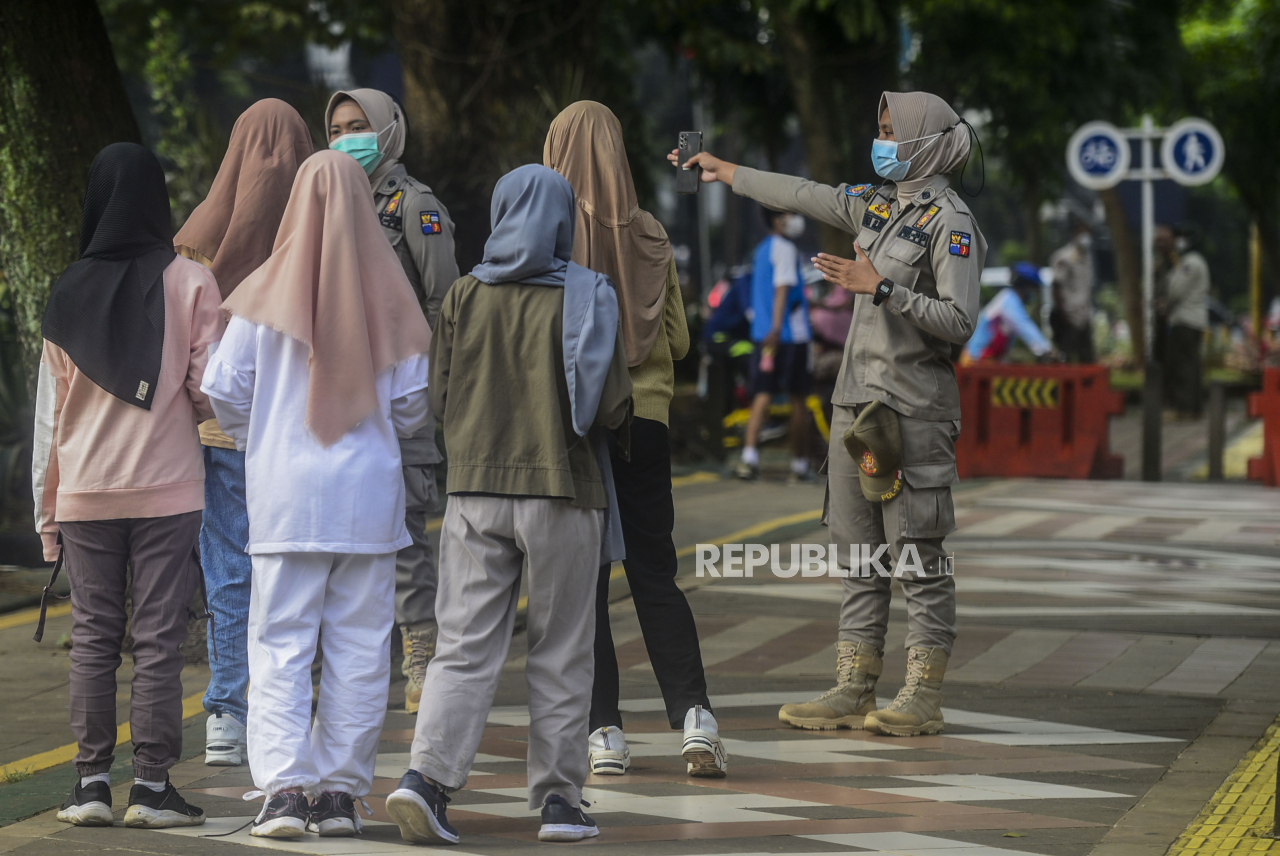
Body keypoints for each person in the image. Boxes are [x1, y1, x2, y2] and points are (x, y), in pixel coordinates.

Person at [672, 90, 986, 737]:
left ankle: (922, 694)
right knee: (860, 555)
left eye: (892, 131)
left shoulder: (950, 223)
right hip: (855, 409)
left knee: (917, 556)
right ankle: (854, 685)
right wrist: (723, 170)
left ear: (926, 142)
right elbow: (801, 192)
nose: (882, 140)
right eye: (878, 129)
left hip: (911, 410)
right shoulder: (875, 207)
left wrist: (884, 288)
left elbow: (959, 324)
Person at [385, 165, 632, 846]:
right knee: (560, 649)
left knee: (461, 648)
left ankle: (425, 782)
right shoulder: (589, 294)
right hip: (564, 494)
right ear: (561, 222)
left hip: (473, 497)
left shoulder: (463, 295)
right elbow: (611, 407)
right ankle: (558, 802)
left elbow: (437, 398)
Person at [201, 150, 432, 839]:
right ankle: (338, 794)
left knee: (278, 643)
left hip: (286, 499)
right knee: (361, 646)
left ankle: (283, 791)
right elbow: (415, 406)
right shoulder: (389, 290)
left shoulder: (262, 291)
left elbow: (225, 391)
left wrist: (264, 439)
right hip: (366, 499)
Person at [34, 142, 223, 828]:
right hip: (168, 492)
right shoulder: (191, 283)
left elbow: (49, 420)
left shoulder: (65, 291)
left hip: (84, 493)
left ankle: (88, 784)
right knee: (157, 637)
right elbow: (212, 394)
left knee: (93, 636)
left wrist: (46, 516)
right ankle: (150, 786)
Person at [543, 101, 725, 779]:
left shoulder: (550, 234)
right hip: (644, 422)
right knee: (655, 571)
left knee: (584, 583)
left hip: (575, 427)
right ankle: (696, 717)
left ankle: (604, 733)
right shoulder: (650, 232)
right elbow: (676, 339)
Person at [173, 98, 314, 768]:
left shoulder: (197, 234)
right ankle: (293, 703)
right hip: (301, 435)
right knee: (294, 568)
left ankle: (228, 711)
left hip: (216, 431)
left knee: (229, 569)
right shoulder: (317, 231)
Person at [325, 88, 460, 713]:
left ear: (388, 132)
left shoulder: (414, 205)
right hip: (342, 396)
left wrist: (427, 383)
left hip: (402, 392)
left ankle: (420, 658)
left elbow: (446, 303)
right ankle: (359, 663)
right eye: (336, 128)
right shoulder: (323, 204)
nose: (347, 138)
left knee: (404, 531)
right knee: (344, 534)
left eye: (359, 127)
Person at [736, 207, 814, 482]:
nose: (795, 218)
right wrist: (778, 327)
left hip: (763, 336)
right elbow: (782, 288)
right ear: (778, 219)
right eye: (789, 213)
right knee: (798, 400)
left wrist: (768, 329)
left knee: (762, 394)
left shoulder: (762, 250)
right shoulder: (785, 249)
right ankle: (800, 466)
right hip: (790, 336)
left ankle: (748, 459)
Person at [1155, 224, 1209, 418]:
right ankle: (1194, 408)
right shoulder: (1194, 262)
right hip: (1193, 322)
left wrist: (1164, 304)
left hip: (1184, 322)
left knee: (1182, 367)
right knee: (1192, 366)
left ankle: (1184, 408)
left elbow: (1176, 290)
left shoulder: (1190, 263)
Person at [961, 262, 1055, 363]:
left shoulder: (1011, 300)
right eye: (1033, 288)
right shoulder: (1009, 300)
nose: (1033, 293)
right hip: (976, 360)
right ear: (1025, 286)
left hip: (985, 360)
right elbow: (1024, 326)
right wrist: (1047, 349)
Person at [1048, 219, 1096, 363]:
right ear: (1074, 234)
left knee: (1087, 359)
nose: (1085, 237)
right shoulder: (1064, 257)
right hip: (1068, 315)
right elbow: (1056, 286)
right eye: (1082, 233)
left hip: (1084, 315)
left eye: (1088, 234)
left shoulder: (1087, 258)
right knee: (1066, 357)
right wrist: (1063, 312)